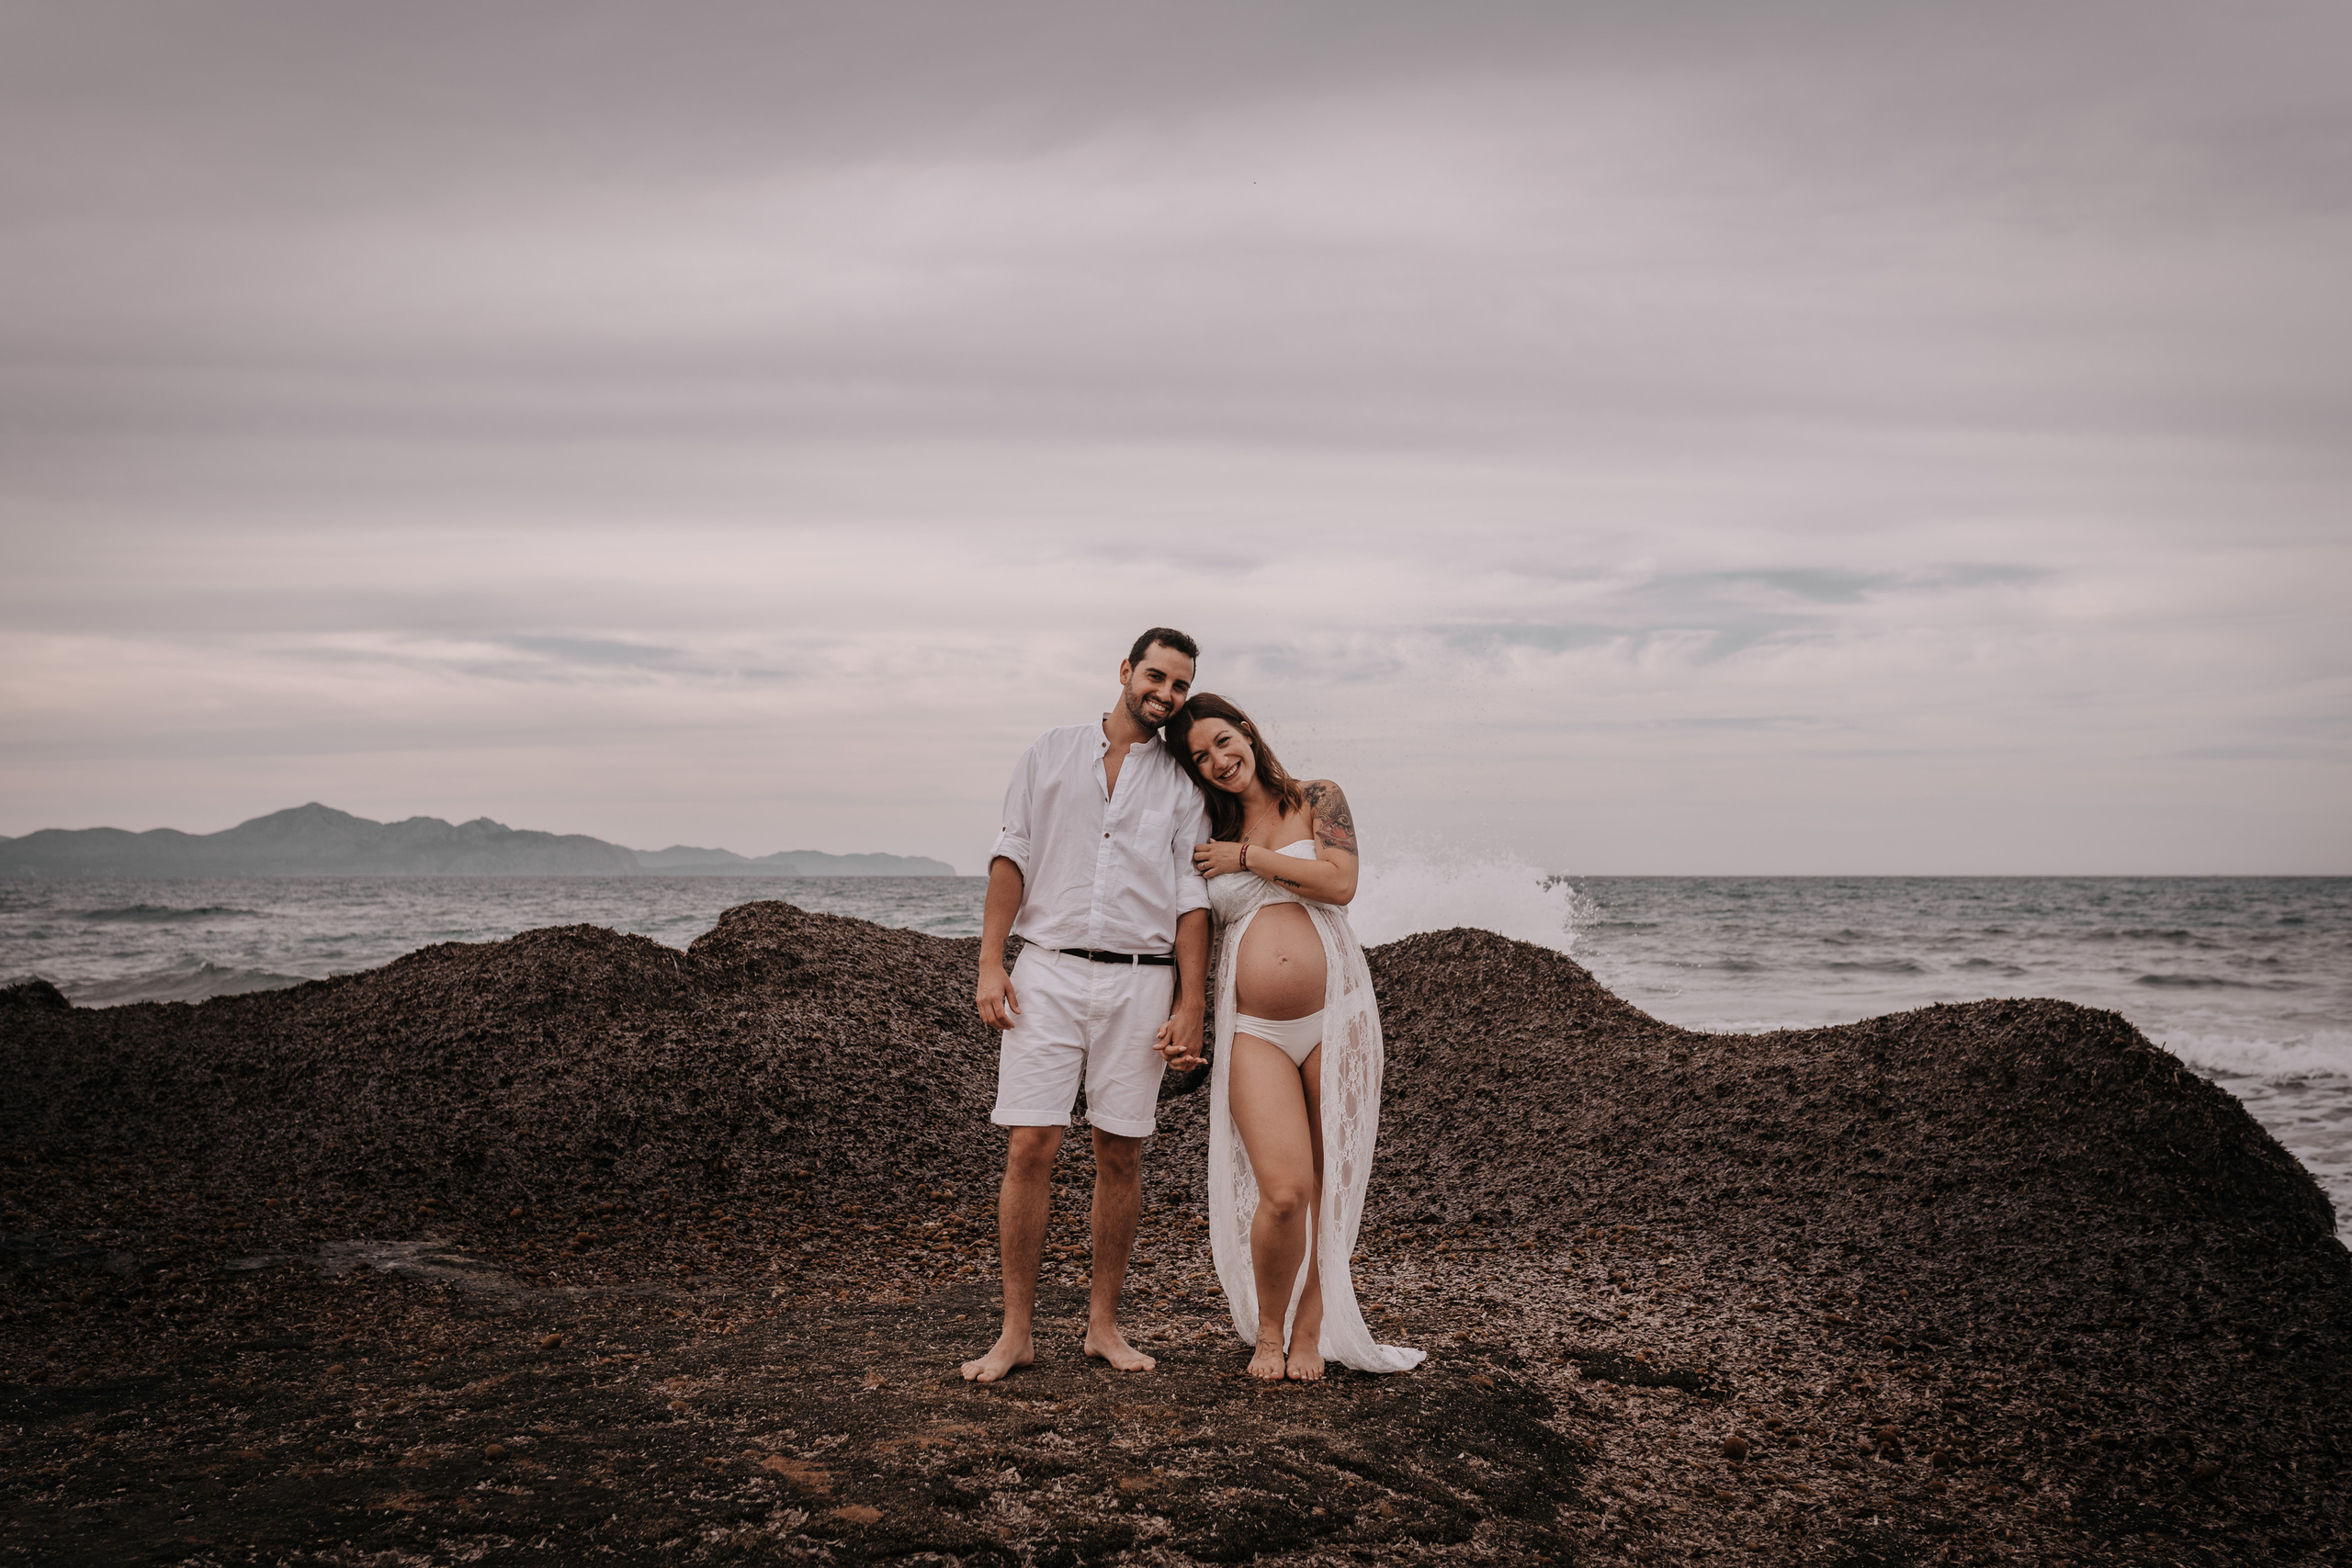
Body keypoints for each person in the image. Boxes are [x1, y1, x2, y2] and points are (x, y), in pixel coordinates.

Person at [961, 628, 1213, 1383]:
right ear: (1126, 670)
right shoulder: (1049, 751)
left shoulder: (1181, 783)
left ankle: (1103, 1325)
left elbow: (1190, 900)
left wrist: (1191, 1001)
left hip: (1141, 981)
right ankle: (1015, 1334)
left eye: (1179, 684)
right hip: (1047, 973)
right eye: (1156, 676)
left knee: (1120, 1151)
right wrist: (989, 962)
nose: (1165, 694)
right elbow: (1013, 853)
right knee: (1030, 1145)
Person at [1162, 694, 1424, 1381]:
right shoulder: (1204, 830)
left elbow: (1340, 884)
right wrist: (1180, 1012)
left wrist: (1247, 856)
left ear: (1246, 730)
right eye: (1201, 757)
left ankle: (1310, 1330)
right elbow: (1190, 928)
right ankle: (1268, 1330)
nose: (1219, 761)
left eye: (1224, 741)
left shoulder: (1316, 796)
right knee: (1285, 1189)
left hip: (1340, 1017)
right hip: (1257, 1029)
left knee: (1330, 1187)